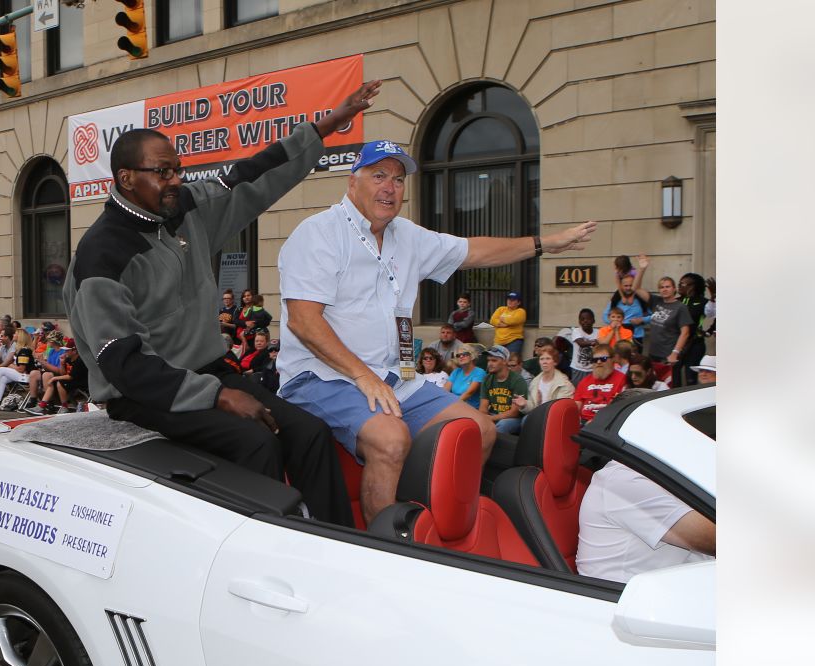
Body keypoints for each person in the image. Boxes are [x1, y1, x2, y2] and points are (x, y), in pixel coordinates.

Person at [63, 82, 386, 528]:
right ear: (126, 178)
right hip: (143, 393)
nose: (176, 180)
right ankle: (264, 552)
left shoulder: (185, 211)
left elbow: (251, 175)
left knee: (310, 433)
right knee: (256, 441)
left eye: (177, 169)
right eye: (163, 172)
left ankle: (336, 542)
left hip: (209, 372)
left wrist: (327, 125)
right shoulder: (101, 255)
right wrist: (218, 396)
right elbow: (123, 364)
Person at [277, 136, 597, 520]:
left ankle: (437, 527)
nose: (389, 187)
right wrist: (363, 376)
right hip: (323, 376)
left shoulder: (407, 236)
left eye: (398, 179)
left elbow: (474, 251)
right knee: (391, 440)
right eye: (378, 175)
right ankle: (386, 550)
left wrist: (545, 244)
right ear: (352, 182)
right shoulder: (319, 233)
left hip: (391, 375)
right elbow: (304, 321)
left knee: (479, 431)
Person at [576, 390, 715, 583]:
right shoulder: (623, 481)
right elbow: (713, 539)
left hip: (668, 590)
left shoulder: (657, 468)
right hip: (622, 601)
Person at [637, 274, 692, 372]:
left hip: (668, 356)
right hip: (653, 353)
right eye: (661, 287)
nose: (664, 289)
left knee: (669, 385)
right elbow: (636, 288)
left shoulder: (680, 307)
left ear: (674, 289)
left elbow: (685, 332)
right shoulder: (656, 301)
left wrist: (675, 353)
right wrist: (642, 269)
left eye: (668, 287)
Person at [478, 345, 528, 434]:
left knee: (503, 425)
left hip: (512, 419)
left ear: (505, 361)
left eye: (494, 360)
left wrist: (491, 419)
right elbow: (483, 407)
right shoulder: (487, 379)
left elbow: (514, 412)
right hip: (492, 415)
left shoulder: (518, 381)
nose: (489, 363)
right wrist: (483, 418)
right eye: (488, 360)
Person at [672, 273, 710, 387]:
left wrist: (709, 331)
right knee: (675, 376)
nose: (679, 286)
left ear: (692, 286)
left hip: (694, 344)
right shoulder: (676, 301)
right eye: (678, 283)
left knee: (690, 378)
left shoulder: (703, 302)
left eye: (682, 283)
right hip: (677, 344)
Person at [573, 346, 627, 424]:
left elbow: (619, 408)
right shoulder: (584, 381)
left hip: (607, 423)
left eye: (603, 359)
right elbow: (576, 406)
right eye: (595, 360)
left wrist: (596, 421)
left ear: (612, 360)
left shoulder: (621, 379)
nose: (598, 362)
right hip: (584, 425)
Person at [520, 345, 576, 413]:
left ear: (555, 362)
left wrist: (540, 405)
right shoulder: (535, 382)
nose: (544, 362)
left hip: (554, 419)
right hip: (537, 416)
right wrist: (524, 405)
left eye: (548, 358)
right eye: (542, 359)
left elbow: (561, 410)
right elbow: (532, 407)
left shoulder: (564, 384)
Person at [606, 275, 651, 351]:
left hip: (636, 337)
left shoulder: (642, 299)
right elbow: (605, 316)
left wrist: (642, 320)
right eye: (626, 286)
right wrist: (616, 322)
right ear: (621, 286)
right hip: (619, 335)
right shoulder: (616, 299)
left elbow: (654, 316)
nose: (628, 288)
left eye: (631, 285)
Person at [445, 344, 486, 409]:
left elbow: (469, 393)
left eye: (465, 354)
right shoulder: (456, 372)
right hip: (453, 406)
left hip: (470, 409)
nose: (461, 356)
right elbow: (445, 391)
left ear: (472, 355)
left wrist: (452, 405)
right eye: (458, 355)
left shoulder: (479, 372)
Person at [489, 291, 528, 357]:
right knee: (496, 361)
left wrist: (502, 319)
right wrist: (506, 323)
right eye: (509, 299)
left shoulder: (521, 311)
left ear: (518, 302)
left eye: (513, 300)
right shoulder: (501, 309)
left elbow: (513, 320)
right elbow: (492, 321)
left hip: (513, 340)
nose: (510, 301)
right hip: (498, 341)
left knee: (511, 361)